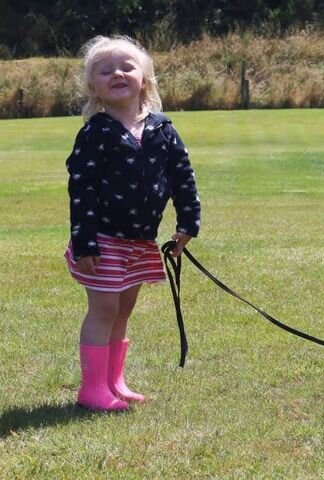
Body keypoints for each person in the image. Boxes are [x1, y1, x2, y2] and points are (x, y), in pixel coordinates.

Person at [64, 35, 201, 411]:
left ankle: (114, 381)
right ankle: (92, 389)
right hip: (103, 239)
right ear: (93, 87)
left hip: (140, 240)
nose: (117, 74)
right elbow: (81, 188)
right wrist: (85, 241)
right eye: (105, 71)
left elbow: (183, 177)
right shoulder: (95, 133)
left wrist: (188, 222)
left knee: (123, 310)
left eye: (127, 67)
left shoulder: (163, 129)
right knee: (104, 309)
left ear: (145, 79)